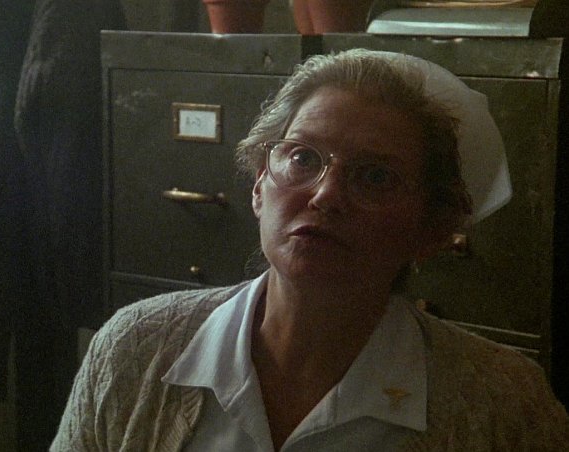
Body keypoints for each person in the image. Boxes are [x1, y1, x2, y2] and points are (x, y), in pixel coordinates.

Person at [50, 49, 569, 451]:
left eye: (375, 176)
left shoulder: (504, 404)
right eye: (302, 157)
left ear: (432, 229)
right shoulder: (134, 349)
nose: (325, 195)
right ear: (259, 185)